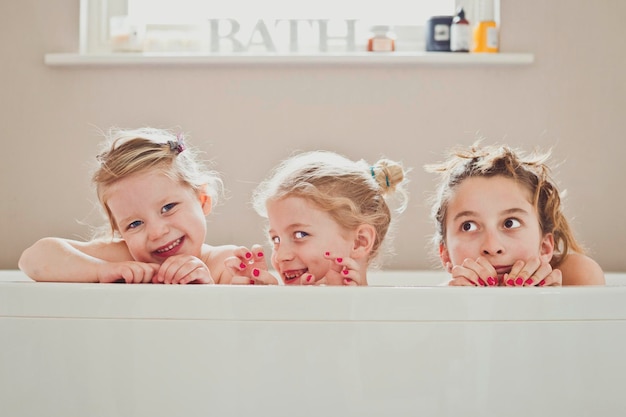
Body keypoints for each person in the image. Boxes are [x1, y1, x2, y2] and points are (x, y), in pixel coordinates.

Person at [19, 127, 277, 285]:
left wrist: (222, 285)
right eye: (134, 224)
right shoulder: (125, 259)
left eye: (168, 208)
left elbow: (243, 321)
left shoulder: (224, 263)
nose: (156, 232)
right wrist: (103, 271)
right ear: (120, 232)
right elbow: (34, 258)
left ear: (203, 200)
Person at [425, 142, 605, 286]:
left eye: (510, 223)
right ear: (446, 254)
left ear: (545, 247)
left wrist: (550, 307)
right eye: (468, 226)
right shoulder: (435, 306)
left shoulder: (578, 277)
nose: (493, 246)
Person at [252, 150, 409, 286]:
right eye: (276, 240)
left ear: (360, 241)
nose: (280, 256)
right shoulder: (278, 308)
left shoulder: (385, 314)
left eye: (300, 234)